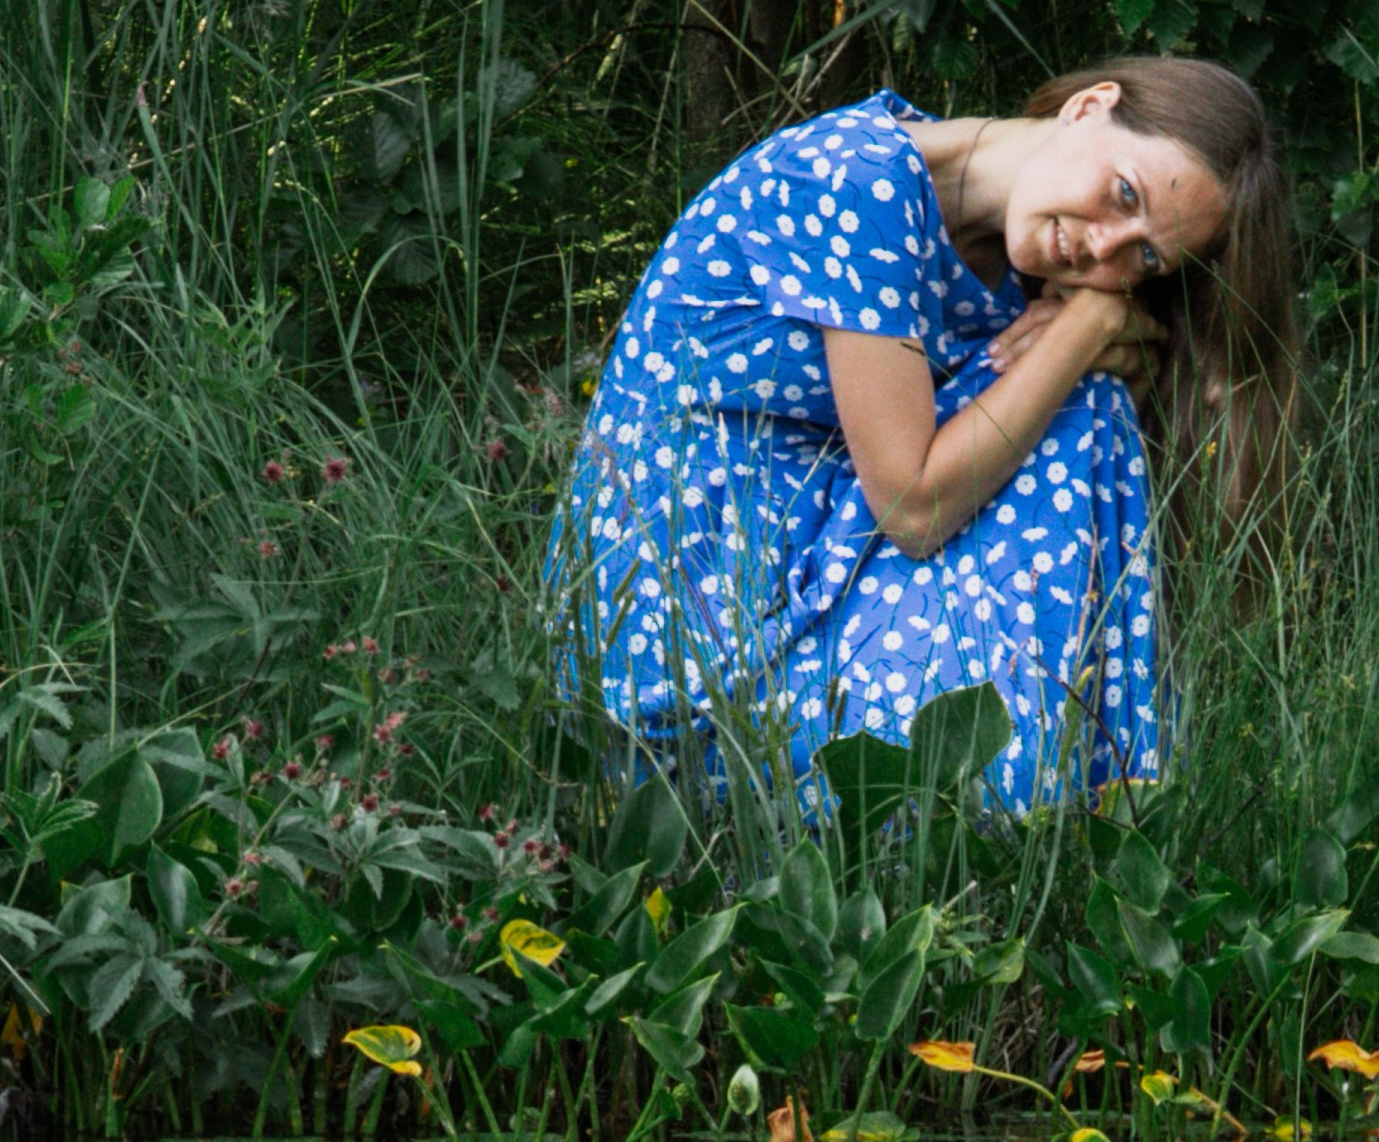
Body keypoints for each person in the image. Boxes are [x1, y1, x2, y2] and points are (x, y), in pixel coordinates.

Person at [549, 59, 1297, 808]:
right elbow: (913, 509)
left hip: (804, 589)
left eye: (1144, 256)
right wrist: (1090, 325)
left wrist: (1096, 345)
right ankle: (1072, 814)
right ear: (1089, 105)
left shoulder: (1006, 258)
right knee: (1079, 399)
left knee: (1087, 406)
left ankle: (1084, 817)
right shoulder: (856, 179)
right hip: (676, 655)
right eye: (1125, 193)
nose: (1103, 248)